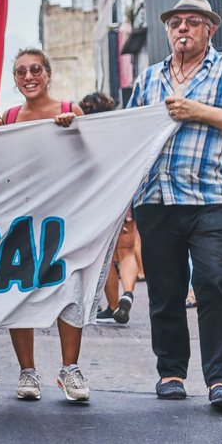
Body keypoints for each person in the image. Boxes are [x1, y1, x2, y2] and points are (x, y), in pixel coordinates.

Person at [127, 0, 222, 411]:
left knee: (213, 283)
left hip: (212, 200)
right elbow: (130, 134)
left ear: (210, 28)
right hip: (157, 200)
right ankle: (170, 372)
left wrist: (198, 111)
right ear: (168, 31)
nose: (182, 29)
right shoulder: (150, 79)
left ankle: (221, 380)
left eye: (192, 22)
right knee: (165, 292)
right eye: (175, 23)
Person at [0, 47, 90, 402]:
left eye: (35, 69)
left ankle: (70, 369)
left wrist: (74, 133)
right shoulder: (7, 117)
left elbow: (93, 161)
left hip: (64, 218)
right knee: (20, 293)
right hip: (19, 219)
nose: (29, 76)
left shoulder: (71, 111)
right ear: (15, 80)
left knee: (70, 291)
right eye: (21, 72)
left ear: (49, 74)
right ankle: (27, 372)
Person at [79, 93, 141, 326]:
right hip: (126, 197)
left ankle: (113, 306)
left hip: (99, 202)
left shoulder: (85, 137)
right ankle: (128, 293)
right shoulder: (121, 135)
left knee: (104, 256)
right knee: (126, 251)